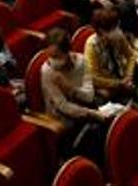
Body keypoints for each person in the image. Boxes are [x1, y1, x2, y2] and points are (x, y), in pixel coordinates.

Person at [40, 28, 113, 162]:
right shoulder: (47, 71)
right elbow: (63, 106)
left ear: (67, 52)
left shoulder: (81, 62)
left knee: (110, 130)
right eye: (49, 56)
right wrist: (91, 113)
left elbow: (89, 96)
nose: (52, 60)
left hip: (86, 107)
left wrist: (69, 88)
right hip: (65, 120)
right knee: (96, 140)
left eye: (56, 56)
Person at [84, 7, 138, 107]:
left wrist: (128, 76)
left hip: (126, 82)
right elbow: (94, 78)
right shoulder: (92, 46)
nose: (117, 30)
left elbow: (131, 55)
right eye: (113, 28)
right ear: (101, 31)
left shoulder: (118, 36)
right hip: (111, 92)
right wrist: (119, 84)